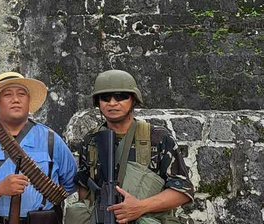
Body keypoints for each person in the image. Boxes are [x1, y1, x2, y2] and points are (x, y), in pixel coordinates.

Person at [67, 70, 193, 224]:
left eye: (121, 96)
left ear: (133, 99)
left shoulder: (158, 138)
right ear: (98, 102)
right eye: (105, 98)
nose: (112, 103)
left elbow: (183, 191)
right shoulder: (91, 140)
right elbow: (84, 187)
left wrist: (140, 207)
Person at [0, 72, 77, 224]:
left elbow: (70, 183)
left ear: (29, 100)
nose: (15, 99)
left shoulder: (51, 139)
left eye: (22, 94)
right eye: (7, 94)